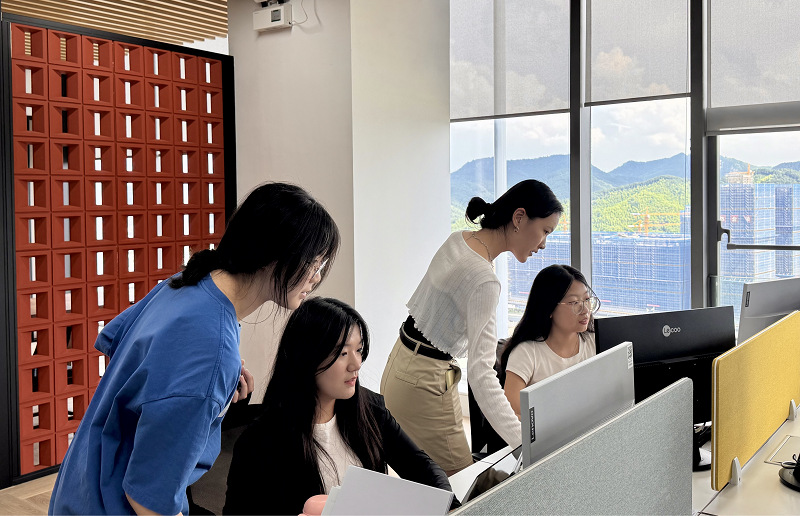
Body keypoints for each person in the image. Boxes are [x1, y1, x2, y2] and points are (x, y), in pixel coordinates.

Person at [49, 182, 340, 516]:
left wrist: (203, 389)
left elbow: (126, 353)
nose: (316, 278)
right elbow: (148, 500)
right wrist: (205, 381)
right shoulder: (212, 349)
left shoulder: (185, 285)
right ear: (273, 257)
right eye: (313, 263)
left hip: (81, 486)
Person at [380, 179, 563, 475]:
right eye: (545, 231)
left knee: (425, 482)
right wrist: (524, 442)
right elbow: (481, 373)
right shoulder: (484, 279)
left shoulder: (459, 240)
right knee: (463, 487)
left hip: (399, 366)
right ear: (519, 218)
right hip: (424, 384)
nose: (543, 244)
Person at [223, 297, 456, 516]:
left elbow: (424, 469)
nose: (356, 364)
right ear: (308, 357)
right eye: (343, 353)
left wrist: (454, 509)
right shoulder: (261, 442)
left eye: (359, 350)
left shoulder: (371, 410)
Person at [499, 264, 599, 417]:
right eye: (574, 302)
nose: (585, 310)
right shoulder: (526, 353)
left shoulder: (595, 340)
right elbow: (512, 415)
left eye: (586, 300)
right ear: (549, 308)